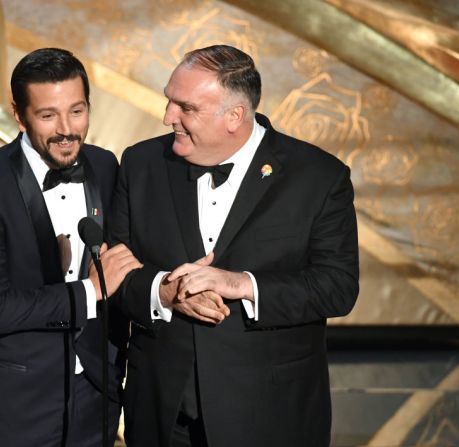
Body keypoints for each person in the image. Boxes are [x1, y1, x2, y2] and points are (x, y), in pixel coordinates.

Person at [109, 45, 359, 446]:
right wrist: (164, 293)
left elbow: (337, 287)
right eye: (169, 100)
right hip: (162, 412)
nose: (168, 116)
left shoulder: (318, 177)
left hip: (270, 416)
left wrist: (242, 284)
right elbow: (116, 273)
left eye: (185, 108)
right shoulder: (141, 164)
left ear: (234, 116)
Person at [0, 47, 140, 447]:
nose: (67, 129)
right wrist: (88, 292)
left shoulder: (105, 166)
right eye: (48, 115)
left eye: (77, 110)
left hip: (95, 398)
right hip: (13, 405)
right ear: (19, 115)